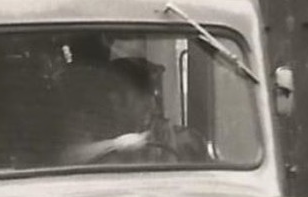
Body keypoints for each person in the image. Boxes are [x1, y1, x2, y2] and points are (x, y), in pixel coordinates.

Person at [63, 55, 208, 164]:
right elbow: (66, 157)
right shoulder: (95, 128)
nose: (151, 105)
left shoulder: (175, 136)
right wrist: (114, 145)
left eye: (151, 97)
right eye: (142, 98)